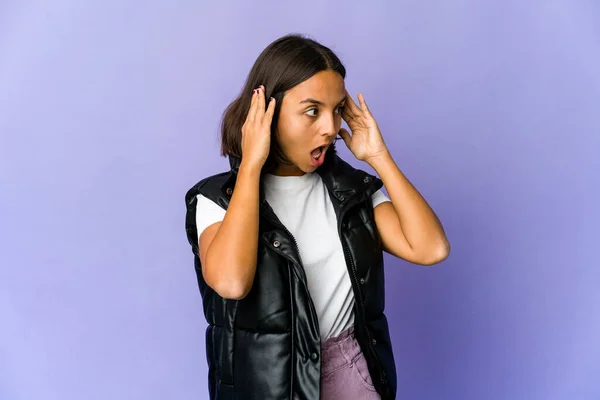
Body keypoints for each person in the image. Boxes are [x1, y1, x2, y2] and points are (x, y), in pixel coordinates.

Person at [184, 33, 450, 400]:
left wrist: (378, 157)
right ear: (267, 114)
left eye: (337, 109)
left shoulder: (351, 192)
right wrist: (250, 166)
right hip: (267, 386)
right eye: (312, 110)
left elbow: (431, 248)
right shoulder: (217, 199)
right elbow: (231, 283)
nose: (330, 127)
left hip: (350, 374)